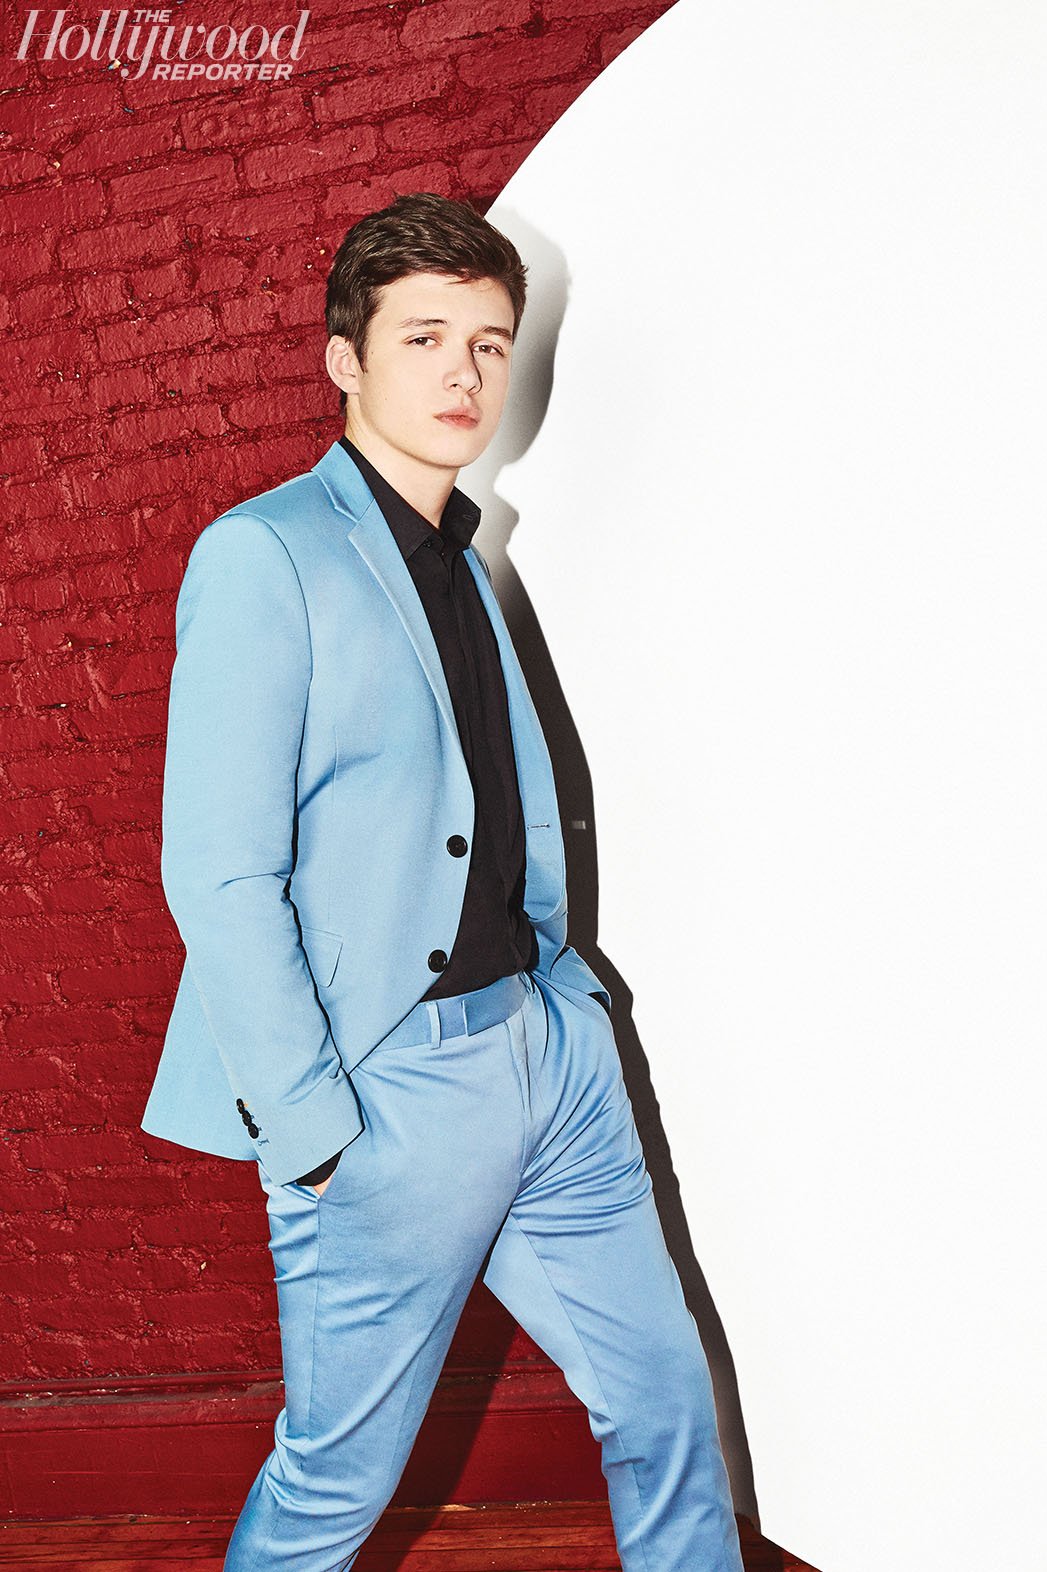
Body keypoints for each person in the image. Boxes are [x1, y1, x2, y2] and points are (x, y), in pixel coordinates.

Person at [141, 191, 743, 1572]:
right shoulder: (265, 554)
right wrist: (315, 1130)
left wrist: (566, 1010)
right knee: (335, 1484)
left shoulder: (464, 559)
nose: (464, 373)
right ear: (344, 360)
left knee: (663, 1400)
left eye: (488, 342)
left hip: (550, 1052)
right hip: (394, 1090)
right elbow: (220, 871)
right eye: (423, 338)